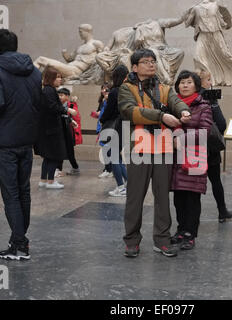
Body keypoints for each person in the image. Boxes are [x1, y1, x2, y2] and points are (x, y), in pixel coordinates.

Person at [0, 29, 42, 260]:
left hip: (5, 138)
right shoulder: (34, 70)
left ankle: (20, 244)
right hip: (27, 137)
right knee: (24, 191)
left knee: (11, 193)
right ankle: (19, 239)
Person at [118, 48, 191, 258]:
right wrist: (162, 116)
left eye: (153, 61)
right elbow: (130, 111)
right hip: (138, 149)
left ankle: (162, 239)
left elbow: (176, 102)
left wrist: (183, 111)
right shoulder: (126, 88)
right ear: (135, 67)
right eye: (145, 62)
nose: (151, 64)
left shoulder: (165, 88)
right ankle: (131, 240)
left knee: (162, 198)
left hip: (163, 149)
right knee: (135, 197)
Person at [170, 70, 213, 250]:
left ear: (196, 85)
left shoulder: (203, 106)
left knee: (192, 198)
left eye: (188, 82)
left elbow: (205, 132)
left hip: (194, 158)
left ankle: (190, 234)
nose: (185, 85)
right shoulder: (172, 105)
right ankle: (180, 230)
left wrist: (180, 137)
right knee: (179, 198)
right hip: (175, 159)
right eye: (181, 82)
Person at [197, 69, 232, 223]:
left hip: (193, 146)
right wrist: (214, 104)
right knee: (215, 180)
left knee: (194, 185)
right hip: (209, 147)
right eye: (208, 80)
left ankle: (192, 219)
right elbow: (222, 124)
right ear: (201, 82)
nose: (211, 83)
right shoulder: (209, 98)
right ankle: (222, 211)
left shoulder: (187, 98)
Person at [184, 0, 232, 86]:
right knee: (197, 57)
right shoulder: (196, 8)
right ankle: (208, 80)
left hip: (216, 34)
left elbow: (226, 22)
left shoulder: (216, 6)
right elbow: (187, 23)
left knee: (224, 55)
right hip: (203, 35)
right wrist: (188, 12)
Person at [35, 67, 71, 190]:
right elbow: (53, 107)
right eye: (58, 77)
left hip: (48, 130)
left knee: (48, 157)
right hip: (52, 130)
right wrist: (66, 109)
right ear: (51, 78)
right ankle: (50, 181)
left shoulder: (47, 90)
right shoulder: (49, 91)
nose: (60, 80)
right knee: (55, 155)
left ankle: (43, 180)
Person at [99, 65, 130, 197]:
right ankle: (129, 184)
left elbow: (108, 112)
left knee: (114, 157)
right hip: (126, 126)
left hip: (114, 127)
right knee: (117, 156)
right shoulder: (128, 90)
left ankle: (121, 187)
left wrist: (102, 119)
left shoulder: (115, 92)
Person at [34, 24, 104, 80]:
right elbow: (69, 59)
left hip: (76, 71)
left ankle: (29, 78)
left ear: (87, 31)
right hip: (69, 67)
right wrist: (65, 54)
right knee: (47, 69)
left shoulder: (96, 43)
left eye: (81, 32)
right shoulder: (80, 47)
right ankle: (37, 82)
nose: (79, 34)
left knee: (42, 60)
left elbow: (102, 59)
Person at [57, 87, 81, 176]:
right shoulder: (57, 104)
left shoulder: (70, 105)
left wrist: (71, 120)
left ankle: (75, 167)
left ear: (67, 96)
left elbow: (75, 114)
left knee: (70, 151)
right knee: (60, 150)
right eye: (58, 95)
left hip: (68, 131)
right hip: (60, 130)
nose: (59, 97)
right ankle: (58, 169)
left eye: (61, 95)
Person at [95, 83, 113, 178]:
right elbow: (101, 114)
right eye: (103, 89)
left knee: (108, 149)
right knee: (106, 149)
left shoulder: (110, 101)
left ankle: (109, 169)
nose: (104, 91)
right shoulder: (103, 101)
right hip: (103, 127)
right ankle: (108, 168)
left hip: (108, 128)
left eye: (106, 89)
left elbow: (107, 114)